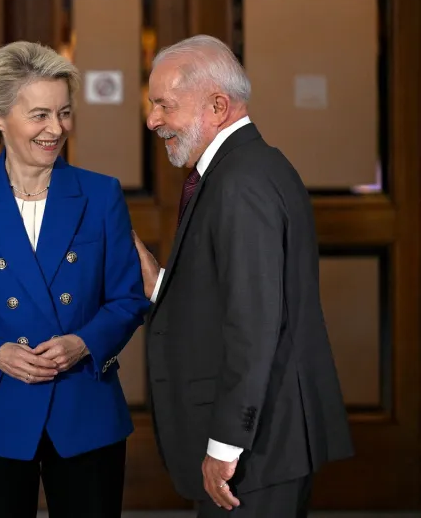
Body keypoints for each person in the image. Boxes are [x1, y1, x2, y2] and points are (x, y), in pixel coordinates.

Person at [0, 41, 151, 518]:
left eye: (64, 113)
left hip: (85, 408)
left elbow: (128, 299)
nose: (56, 129)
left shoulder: (100, 193)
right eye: (40, 115)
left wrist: (82, 343)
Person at [133, 34, 353, 517]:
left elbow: (254, 326)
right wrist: (162, 285)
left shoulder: (241, 183)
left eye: (163, 105)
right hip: (264, 441)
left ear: (217, 106)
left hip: (257, 448)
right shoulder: (244, 169)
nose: (152, 120)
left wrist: (224, 447)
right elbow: (237, 295)